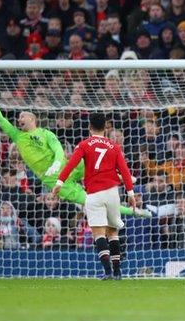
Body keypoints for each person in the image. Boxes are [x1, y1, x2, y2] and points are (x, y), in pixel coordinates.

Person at [0, 78, 149, 218]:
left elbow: (58, 150)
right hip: (51, 180)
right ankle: (133, 211)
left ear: (32, 119)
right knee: (91, 202)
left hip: (65, 167)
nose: (19, 118)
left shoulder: (46, 133)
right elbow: (0, 118)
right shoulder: (17, 136)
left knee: (93, 158)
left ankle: (118, 175)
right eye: (19, 116)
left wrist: (57, 165)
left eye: (22, 115)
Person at [52, 113, 136, 280]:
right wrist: (131, 193)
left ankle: (108, 272)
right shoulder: (114, 146)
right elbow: (125, 171)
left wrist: (59, 183)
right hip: (112, 193)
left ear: (90, 127)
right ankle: (118, 272)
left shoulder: (84, 145)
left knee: (98, 233)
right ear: (105, 128)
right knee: (113, 233)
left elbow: (71, 164)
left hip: (94, 193)